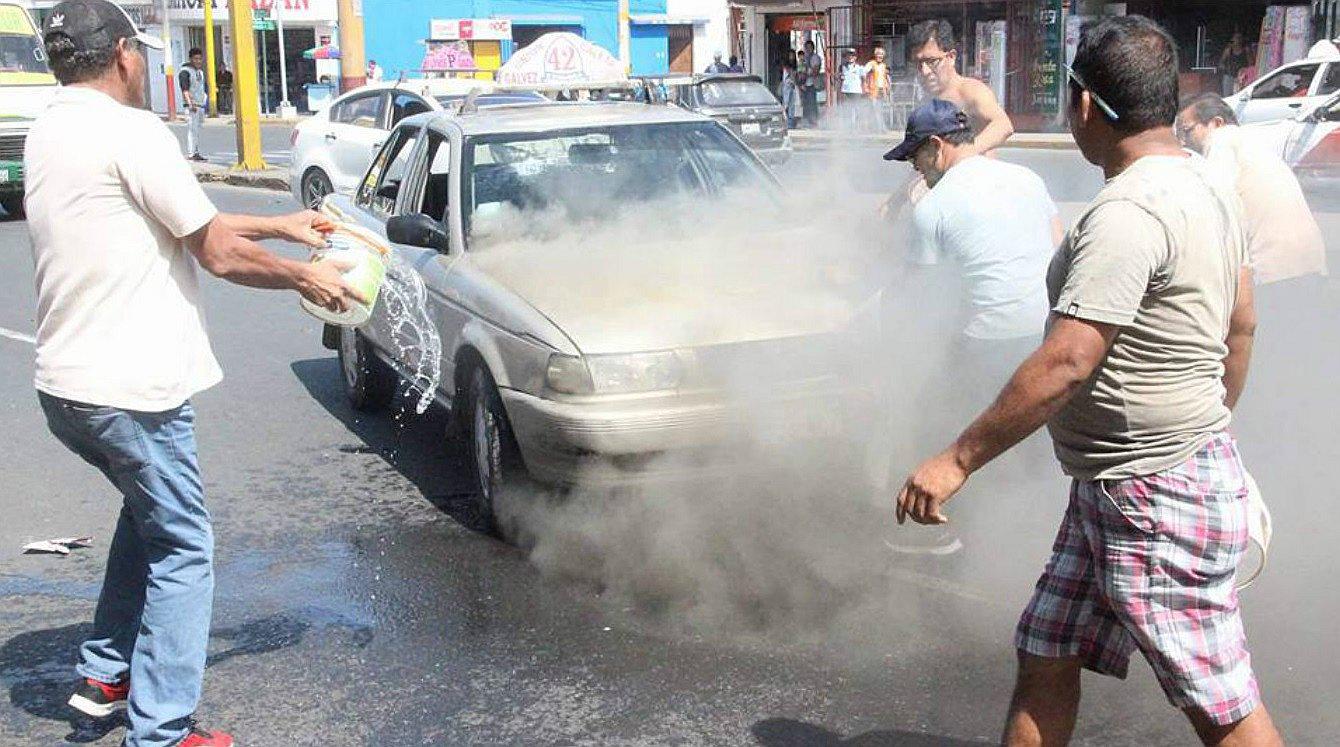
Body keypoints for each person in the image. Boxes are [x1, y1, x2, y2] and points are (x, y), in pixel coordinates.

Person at [894, 16, 1284, 746]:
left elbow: (1069, 359)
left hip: (1149, 495)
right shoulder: (1209, 189)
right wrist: (1209, 424)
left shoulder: (1126, 212)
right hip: (1120, 484)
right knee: (1048, 646)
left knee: (1220, 702)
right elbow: (1244, 324)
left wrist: (956, 460)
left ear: (1083, 105)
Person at [29, 2, 364, 745]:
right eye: (141, 55)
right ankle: (163, 729)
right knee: (184, 548)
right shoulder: (131, 131)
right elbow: (216, 252)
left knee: (146, 514)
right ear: (124, 55)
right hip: (130, 391)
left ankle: (105, 674)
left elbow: (181, 219)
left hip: (66, 387)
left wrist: (281, 225)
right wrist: (305, 276)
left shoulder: (54, 129)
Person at [882, 98, 1062, 553]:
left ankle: (935, 532)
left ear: (937, 146)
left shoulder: (934, 208)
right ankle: (1033, 531)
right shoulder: (1027, 178)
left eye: (915, 157)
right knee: (1030, 440)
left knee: (931, 418)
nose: (914, 169)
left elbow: (920, 299)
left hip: (992, 339)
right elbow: (1059, 247)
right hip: (1049, 334)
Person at [1177, 92, 1327, 285]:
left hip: (1273, 272)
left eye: (1187, 131)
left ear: (1217, 123)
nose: (1182, 142)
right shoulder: (1251, 144)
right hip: (1308, 263)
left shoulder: (1223, 139)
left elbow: (1215, 203)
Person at [880, 20, 1014, 217]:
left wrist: (962, 154)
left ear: (951, 57)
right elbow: (924, 158)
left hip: (978, 195)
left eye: (932, 61)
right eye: (918, 64)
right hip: (944, 197)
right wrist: (895, 201)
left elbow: (1003, 125)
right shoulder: (928, 102)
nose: (925, 71)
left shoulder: (970, 90)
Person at [178, 47, 206, 162]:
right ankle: (191, 153)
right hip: (191, 106)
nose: (198, 61)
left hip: (200, 105)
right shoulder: (185, 72)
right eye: (195, 59)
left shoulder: (199, 72)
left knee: (197, 131)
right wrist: (190, 104)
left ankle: (196, 151)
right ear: (190, 59)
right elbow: (185, 89)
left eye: (200, 58)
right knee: (192, 130)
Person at [863, 46, 892, 130]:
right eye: (878, 54)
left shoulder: (883, 65)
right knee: (875, 109)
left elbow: (885, 77)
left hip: (882, 90)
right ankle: (880, 128)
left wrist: (888, 87)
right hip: (873, 90)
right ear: (875, 55)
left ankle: (880, 127)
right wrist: (865, 85)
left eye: (882, 54)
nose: (880, 56)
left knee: (880, 109)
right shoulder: (871, 64)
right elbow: (863, 73)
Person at [837, 48, 865, 129]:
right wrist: (839, 91)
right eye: (848, 55)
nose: (850, 57)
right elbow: (840, 79)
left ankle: (855, 126)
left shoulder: (859, 67)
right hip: (846, 90)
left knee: (856, 108)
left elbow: (863, 79)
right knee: (846, 108)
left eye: (852, 55)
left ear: (855, 57)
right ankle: (847, 126)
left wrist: (863, 89)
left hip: (856, 91)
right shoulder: (842, 67)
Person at [798, 40, 823, 127]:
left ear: (813, 48)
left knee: (812, 103)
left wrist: (807, 72)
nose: (808, 49)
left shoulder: (815, 58)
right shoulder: (804, 58)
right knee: (805, 104)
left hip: (812, 84)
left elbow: (815, 71)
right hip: (804, 84)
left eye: (810, 47)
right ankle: (806, 121)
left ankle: (814, 121)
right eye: (807, 48)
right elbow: (800, 70)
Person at [1219, 31, 1251, 96]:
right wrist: (1225, 68)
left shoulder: (1246, 50)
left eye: (1239, 38)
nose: (1238, 40)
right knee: (1227, 96)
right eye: (1236, 38)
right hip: (1229, 76)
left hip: (1241, 77)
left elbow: (1251, 64)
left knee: (1239, 95)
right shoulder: (1228, 50)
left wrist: (1245, 71)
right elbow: (1221, 62)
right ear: (1232, 39)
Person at [779, 58, 800, 129]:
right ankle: (789, 124)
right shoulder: (786, 76)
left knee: (790, 109)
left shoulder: (789, 77)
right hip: (789, 97)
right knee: (790, 109)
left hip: (789, 99)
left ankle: (790, 124)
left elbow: (787, 96)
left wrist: (785, 105)